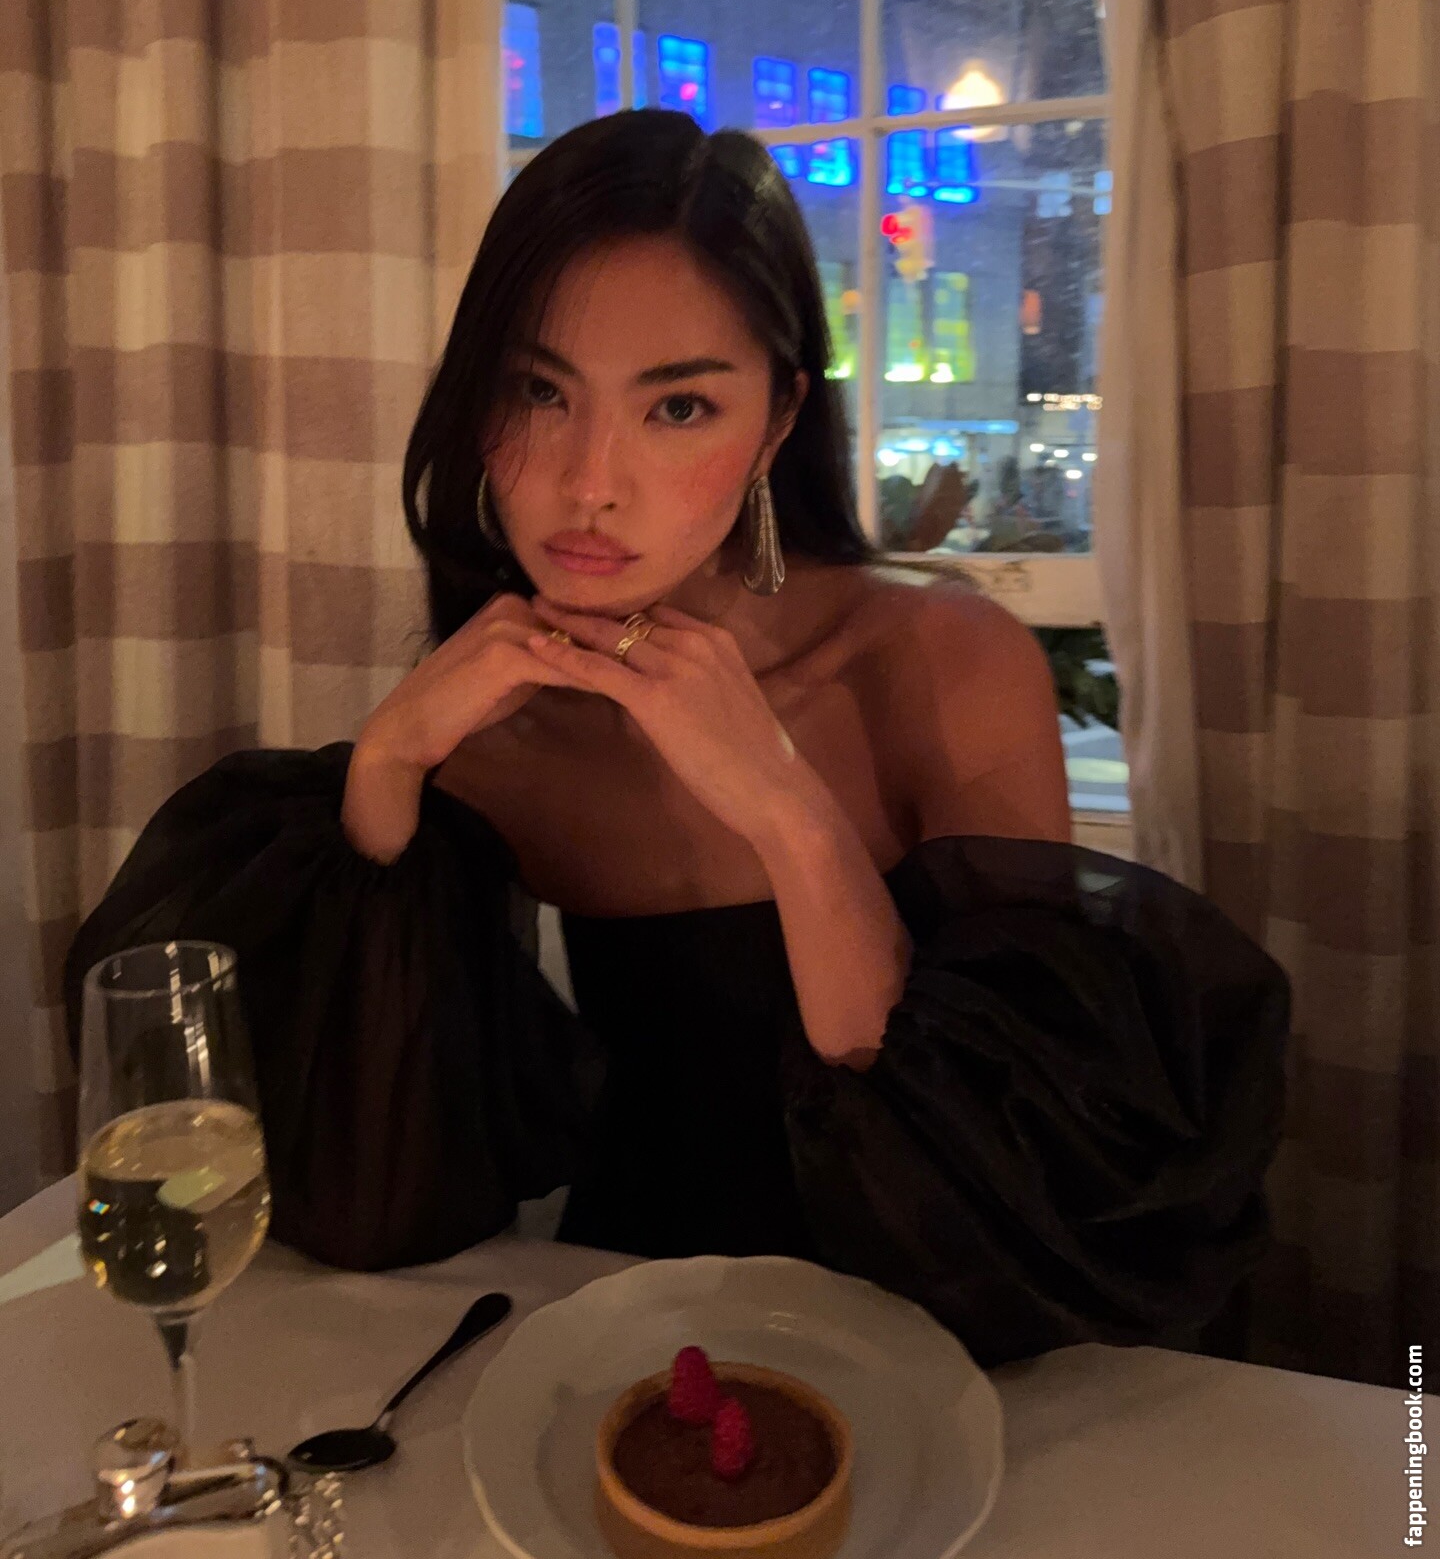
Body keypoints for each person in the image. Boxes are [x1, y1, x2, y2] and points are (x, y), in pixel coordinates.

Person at [64, 111, 1290, 1369]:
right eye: (540, 392)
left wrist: (786, 810)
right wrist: (385, 767)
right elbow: (377, 1191)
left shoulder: (942, 664)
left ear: (777, 422)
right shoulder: (496, 731)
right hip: (620, 1329)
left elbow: (1010, 1181)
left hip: (936, 1346)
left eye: (680, 406)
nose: (590, 482)